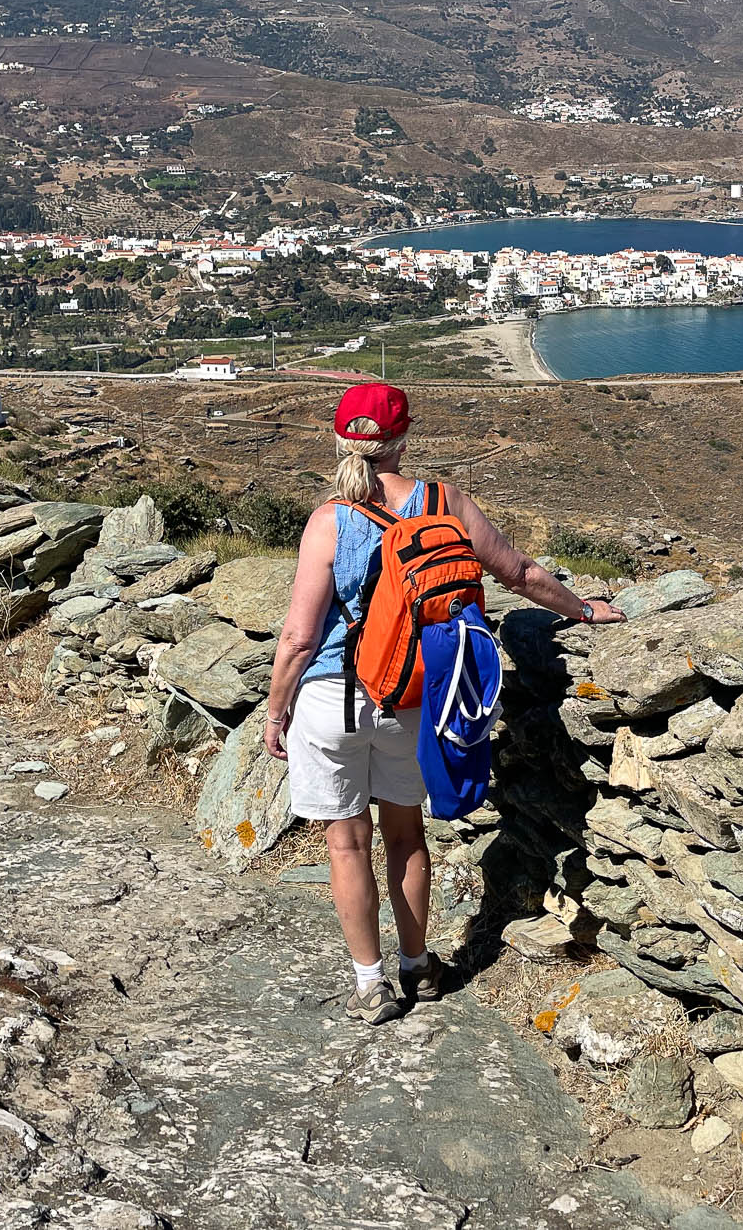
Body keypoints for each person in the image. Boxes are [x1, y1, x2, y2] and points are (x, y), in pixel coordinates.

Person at [264, 381, 626, 1024]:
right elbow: (518, 573)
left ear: (340, 440)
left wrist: (275, 712)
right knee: (405, 835)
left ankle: (370, 985)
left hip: (329, 701)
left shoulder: (328, 520)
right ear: (402, 438)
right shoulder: (444, 502)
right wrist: (584, 609)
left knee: (346, 845)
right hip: (410, 698)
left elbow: (297, 637)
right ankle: (417, 965)